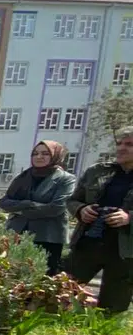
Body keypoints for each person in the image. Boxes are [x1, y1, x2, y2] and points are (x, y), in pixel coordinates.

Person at [66, 127, 133, 311]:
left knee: (112, 307)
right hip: (88, 243)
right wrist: (82, 209)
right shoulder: (98, 171)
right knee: (62, 292)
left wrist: (129, 217)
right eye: (119, 144)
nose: (121, 148)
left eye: (129, 144)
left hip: (124, 252)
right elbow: (72, 200)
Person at [0, 141, 76, 275]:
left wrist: (19, 209)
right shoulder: (24, 176)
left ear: (56, 156)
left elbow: (56, 208)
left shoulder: (65, 179)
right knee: (12, 277)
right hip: (17, 235)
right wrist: (28, 204)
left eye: (45, 153)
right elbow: (4, 202)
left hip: (47, 238)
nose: (39, 157)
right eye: (35, 153)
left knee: (41, 281)